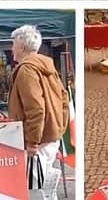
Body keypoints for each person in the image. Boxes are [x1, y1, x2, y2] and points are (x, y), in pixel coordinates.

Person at [8, 25, 70, 181]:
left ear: (21, 46)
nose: (12, 48)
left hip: (39, 141)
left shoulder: (26, 70)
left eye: (13, 44)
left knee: (34, 187)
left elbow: (36, 109)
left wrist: (32, 143)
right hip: (51, 136)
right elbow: (64, 98)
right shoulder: (47, 66)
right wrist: (60, 126)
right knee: (44, 185)